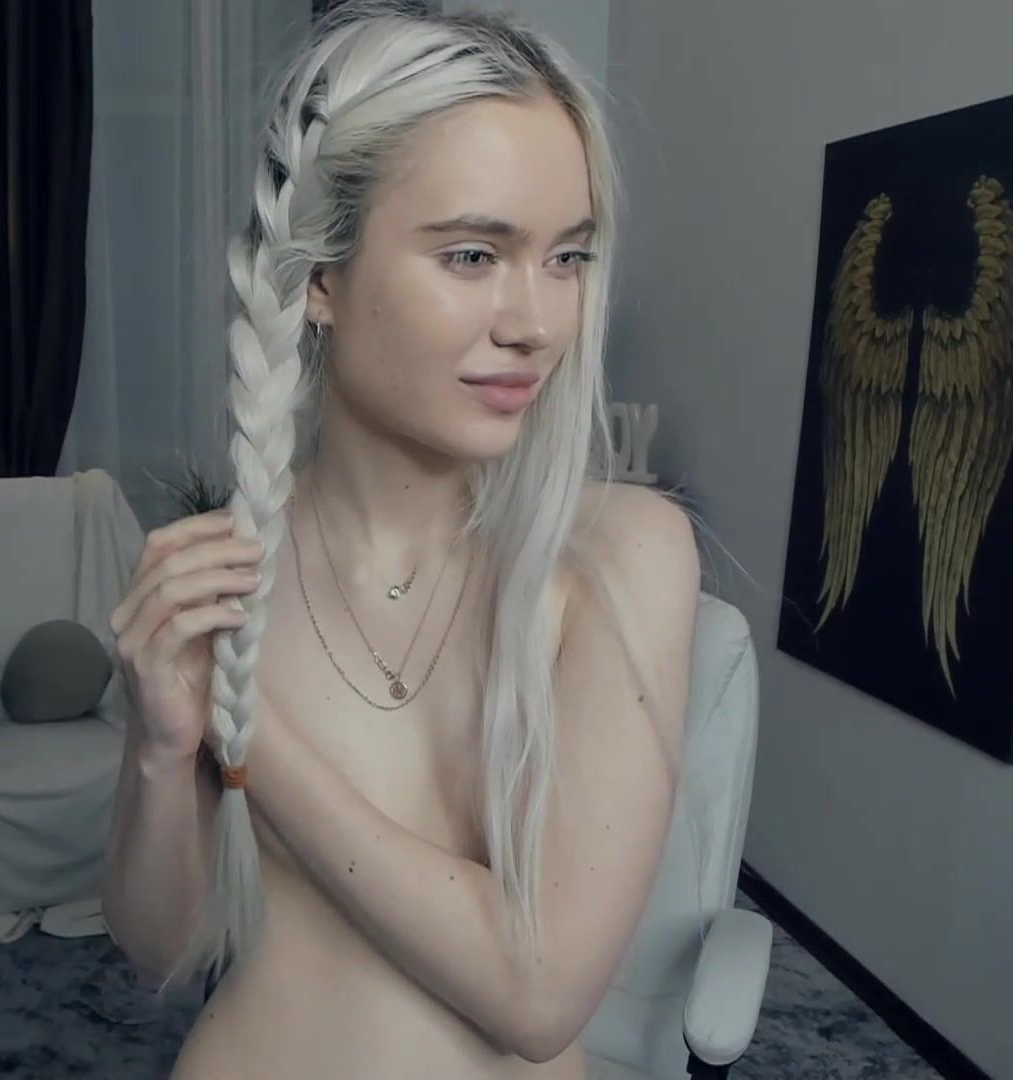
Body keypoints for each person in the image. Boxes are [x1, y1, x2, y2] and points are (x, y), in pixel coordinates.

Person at [102, 3, 701, 1077]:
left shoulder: (622, 554)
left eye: (566, 257)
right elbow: (159, 948)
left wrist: (250, 738)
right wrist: (158, 748)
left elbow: (538, 994)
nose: (536, 323)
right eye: (473, 254)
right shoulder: (224, 569)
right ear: (318, 278)